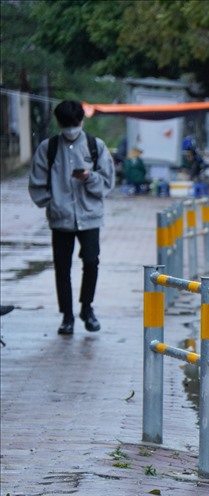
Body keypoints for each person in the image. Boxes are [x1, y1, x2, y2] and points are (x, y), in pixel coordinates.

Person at [28, 99, 115, 335]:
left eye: (74, 123)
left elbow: (107, 183)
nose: (70, 128)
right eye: (66, 124)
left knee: (91, 261)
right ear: (59, 123)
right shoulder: (49, 148)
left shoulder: (95, 146)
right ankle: (67, 316)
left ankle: (87, 308)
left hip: (90, 217)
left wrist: (89, 178)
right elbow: (36, 183)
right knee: (62, 267)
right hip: (61, 219)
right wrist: (53, 203)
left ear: (81, 121)